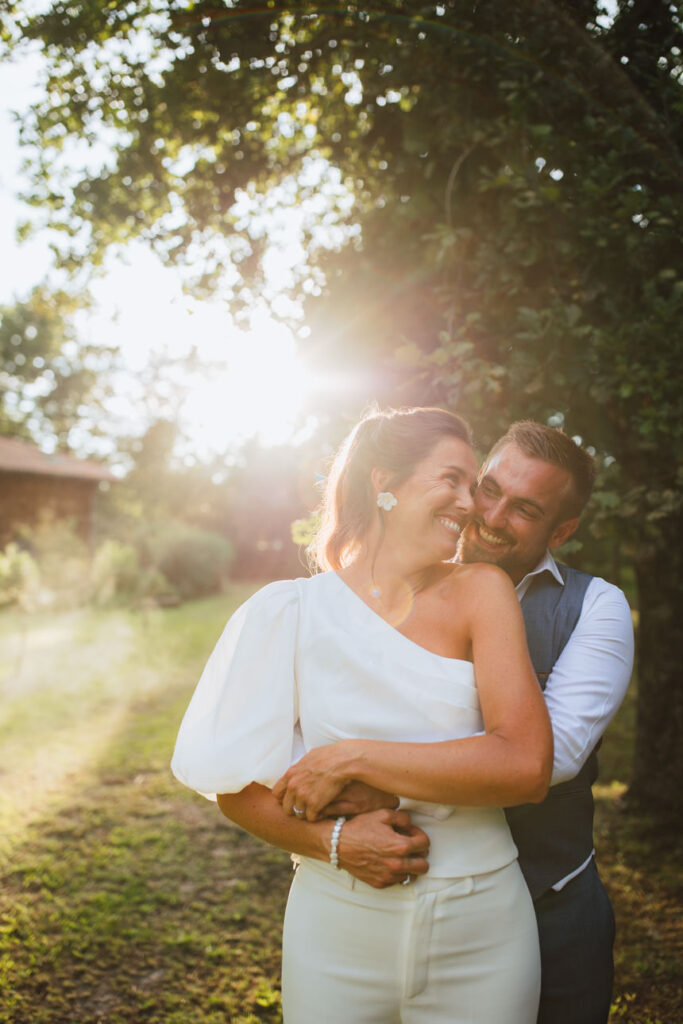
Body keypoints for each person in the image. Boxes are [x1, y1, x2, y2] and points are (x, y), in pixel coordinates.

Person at [172, 406, 553, 1024]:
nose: (471, 504)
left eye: (472, 485)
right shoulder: (290, 612)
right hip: (336, 923)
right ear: (384, 484)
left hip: (480, 923)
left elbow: (525, 764)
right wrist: (336, 842)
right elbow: (234, 788)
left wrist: (351, 757)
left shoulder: (481, 591)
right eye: (451, 479)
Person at [456, 421, 633, 1024]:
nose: (492, 514)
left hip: (548, 906)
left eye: (524, 509)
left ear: (562, 530)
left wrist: (370, 761)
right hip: (417, 902)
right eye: (488, 488)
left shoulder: (596, 606)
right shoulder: (396, 581)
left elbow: (549, 760)